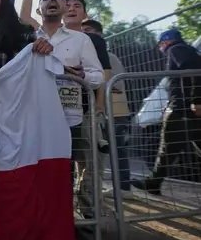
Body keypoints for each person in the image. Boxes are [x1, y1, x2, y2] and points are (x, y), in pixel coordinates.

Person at [34, 0, 104, 218]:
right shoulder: (27, 39)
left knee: (67, 170)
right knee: (39, 172)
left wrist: (81, 76)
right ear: (38, 8)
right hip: (34, 119)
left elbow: (98, 76)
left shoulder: (81, 39)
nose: (53, 1)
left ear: (64, 7)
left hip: (70, 119)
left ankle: (67, 221)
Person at [131, 29, 201, 195]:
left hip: (182, 108)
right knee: (170, 148)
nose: (161, 47)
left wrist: (196, 100)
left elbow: (192, 72)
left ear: (167, 41)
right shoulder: (188, 51)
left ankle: (154, 182)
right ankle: (154, 182)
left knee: (167, 147)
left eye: (161, 43)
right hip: (183, 106)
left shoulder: (176, 50)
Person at [82, 19, 133, 199]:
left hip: (115, 111)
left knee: (116, 149)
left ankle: (124, 188)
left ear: (98, 34)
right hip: (106, 110)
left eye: (88, 30)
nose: (84, 34)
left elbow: (113, 83)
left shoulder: (109, 57)